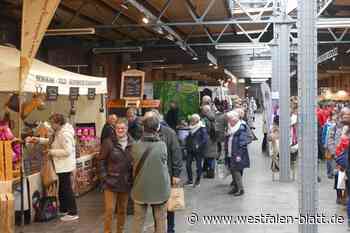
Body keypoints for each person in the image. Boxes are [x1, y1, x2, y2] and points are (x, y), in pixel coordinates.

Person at [27, 113, 79, 221]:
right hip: (61, 164)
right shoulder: (58, 132)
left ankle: (73, 212)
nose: (51, 125)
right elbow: (52, 141)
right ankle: (64, 210)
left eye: (52, 123)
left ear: (58, 123)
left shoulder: (64, 134)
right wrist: (39, 140)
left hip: (65, 165)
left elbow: (67, 151)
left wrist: (51, 152)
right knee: (63, 188)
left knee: (66, 188)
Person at [131, 114, 171, 233]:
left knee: (138, 220)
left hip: (140, 187)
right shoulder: (162, 145)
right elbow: (164, 161)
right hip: (160, 189)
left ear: (143, 128)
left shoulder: (135, 146)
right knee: (161, 220)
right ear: (157, 128)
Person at [145, 110, 182, 233]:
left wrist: (176, 174)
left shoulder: (169, 133)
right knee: (156, 205)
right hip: (152, 177)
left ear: (157, 120)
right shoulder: (144, 133)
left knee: (170, 204)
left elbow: (176, 152)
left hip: (167, 174)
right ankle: (158, 228)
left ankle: (171, 229)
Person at [97, 119, 134, 233]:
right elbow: (101, 161)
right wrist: (104, 177)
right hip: (110, 182)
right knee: (109, 210)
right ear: (115, 129)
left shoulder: (133, 143)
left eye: (122, 128)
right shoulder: (108, 142)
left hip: (125, 182)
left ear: (127, 128)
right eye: (118, 128)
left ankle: (120, 231)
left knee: (122, 210)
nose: (120, 130)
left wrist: (133, 178)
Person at [225, 110, 251, 196]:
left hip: (237, 154)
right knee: (233, 170)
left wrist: (238, 156)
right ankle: (236, 187)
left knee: (236, 171)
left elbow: (243, 143)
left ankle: (240, 189)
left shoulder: (241, 128)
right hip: (231, 152)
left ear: (234, 119)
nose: (228, 121)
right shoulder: (230, 128)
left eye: (229, 119)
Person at [185, 114, 209, 187]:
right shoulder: (191, 127)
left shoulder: (202, 128)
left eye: (192, 121)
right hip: (190, 149)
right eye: (191, 120)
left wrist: (199, 145)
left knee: (198, 166)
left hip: (198, 150)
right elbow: (189, 138)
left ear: (196, 121)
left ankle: (197, 181)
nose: (191, 122)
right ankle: (190, 180)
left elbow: (205, 139)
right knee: (187, 165)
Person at [201, 105, 218, 178]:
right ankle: (210, 171)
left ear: (205, 111)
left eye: (202, 110)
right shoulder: (213, 116)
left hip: (208, 138)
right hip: (214, 138)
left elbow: (203, 130)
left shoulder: (204, 119)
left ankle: (210, 173)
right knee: (212, 156)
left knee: (208, 156)